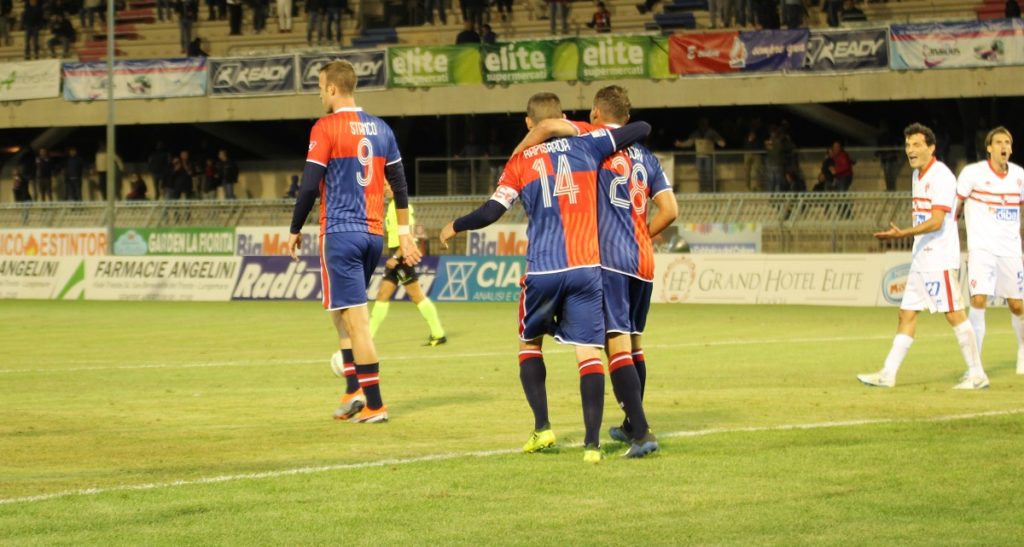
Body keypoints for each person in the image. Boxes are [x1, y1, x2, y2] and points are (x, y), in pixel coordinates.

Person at [439, 92, 653, 462]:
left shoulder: (520, 161)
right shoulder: (588, 143)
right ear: (564, 117)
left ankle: (542, 427)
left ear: (528, 123)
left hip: (543, 269)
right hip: (586, 268)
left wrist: (455, 225)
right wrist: (569, 128)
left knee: (530, 344)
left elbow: (491, 211)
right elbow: (641, 127)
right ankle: (592, 445)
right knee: (589, 351)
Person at [512, 85, 678, 451]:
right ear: (627, 118)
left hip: (607, 258)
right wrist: (641, 235)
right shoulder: (646, 156)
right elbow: (670, 210)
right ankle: (631, 423)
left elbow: (547, 129)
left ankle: (641, 431)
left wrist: (517, 156)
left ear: (595, 113)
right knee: (634, 343)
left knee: (614, 345)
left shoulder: (590, 143)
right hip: (642, 259)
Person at [289, 60, 422, 424]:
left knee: (357, 321)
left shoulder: (325, 127)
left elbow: (309, 185)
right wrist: (404, 232)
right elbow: (400, 185)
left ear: (332, 88)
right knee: (342, 312)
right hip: (373, 236)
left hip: (341, 233)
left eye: (320, 87)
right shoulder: (382, 128)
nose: (320, 94)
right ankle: (353, 389)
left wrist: (295, 227)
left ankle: (374, 404)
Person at [858, 123, 989, 390]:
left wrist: (903, 233)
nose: (911, 150)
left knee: (954, 313)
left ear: (931, 148)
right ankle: (888, 374)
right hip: (922, 258)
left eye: (917, 144)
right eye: (908, 145)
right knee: (906, 314)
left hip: (938, 257)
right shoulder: (918, 174)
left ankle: (977, 374)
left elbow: (937, 221)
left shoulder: (941, 176)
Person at [956, 127, 1024, 376]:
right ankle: (975, 367)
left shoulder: (1019, 175)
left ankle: (1023, 351)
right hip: (981, 249)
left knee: (1017, 306)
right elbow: (955, 208)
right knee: (978, 300)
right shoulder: (972, 173)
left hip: (1010, 251)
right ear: (989, 147)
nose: (1004, 146)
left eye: (1007, 142)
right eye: (998, 142)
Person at [369, 181, 447, 346]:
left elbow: (410, 236)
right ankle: (368, 337)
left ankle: (438, 333)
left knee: (416, 296)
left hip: (402, 256)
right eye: (382, 185)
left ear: (395, 186)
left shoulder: (401, 206)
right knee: (382, 294)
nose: (384, 189)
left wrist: (396, 257)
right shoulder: (391, 206)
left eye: (386, 185)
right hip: (396, 255)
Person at [674, 118, 725, 193]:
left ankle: (710, 189)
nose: (703, 125)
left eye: (704, 123)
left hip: (708, 156)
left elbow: (719, 141)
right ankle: (703, 189)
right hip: (699, 156)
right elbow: (689, 142)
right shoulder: (696, 133)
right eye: (701, 124)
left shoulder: (711, 132)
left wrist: (721, 143)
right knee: (701, 173)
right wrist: (680, 144)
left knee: (708, 173)